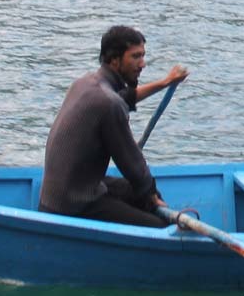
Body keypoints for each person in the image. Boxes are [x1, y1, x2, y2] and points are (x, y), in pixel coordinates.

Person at [39, 25, 188, 227]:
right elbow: (131, 162)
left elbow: (126, 97)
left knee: (138, 192)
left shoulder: (86, 83)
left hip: (56, 195)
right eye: (135, 57)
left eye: (143, 56)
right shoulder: (109, 103)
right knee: (158, 224)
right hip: (74, 204)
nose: (142, 64)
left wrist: (166, 82)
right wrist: (151, 195)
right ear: (115, 60)